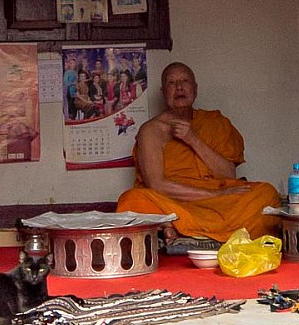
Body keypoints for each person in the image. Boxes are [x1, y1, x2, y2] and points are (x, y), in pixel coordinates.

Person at [115, 62, 282, 242]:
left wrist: (192, 139)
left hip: (218, 204)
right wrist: (215, 195)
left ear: (195, 88)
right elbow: (157, 185)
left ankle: (180, 229)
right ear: (164, 93)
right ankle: (205, 233)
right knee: (131, 200)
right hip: (174, 201)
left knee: (267, 194)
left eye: (185, 81)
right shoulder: (151, 130)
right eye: (171, 83)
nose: (179, 87)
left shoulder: (214, 123)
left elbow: (228, 174)